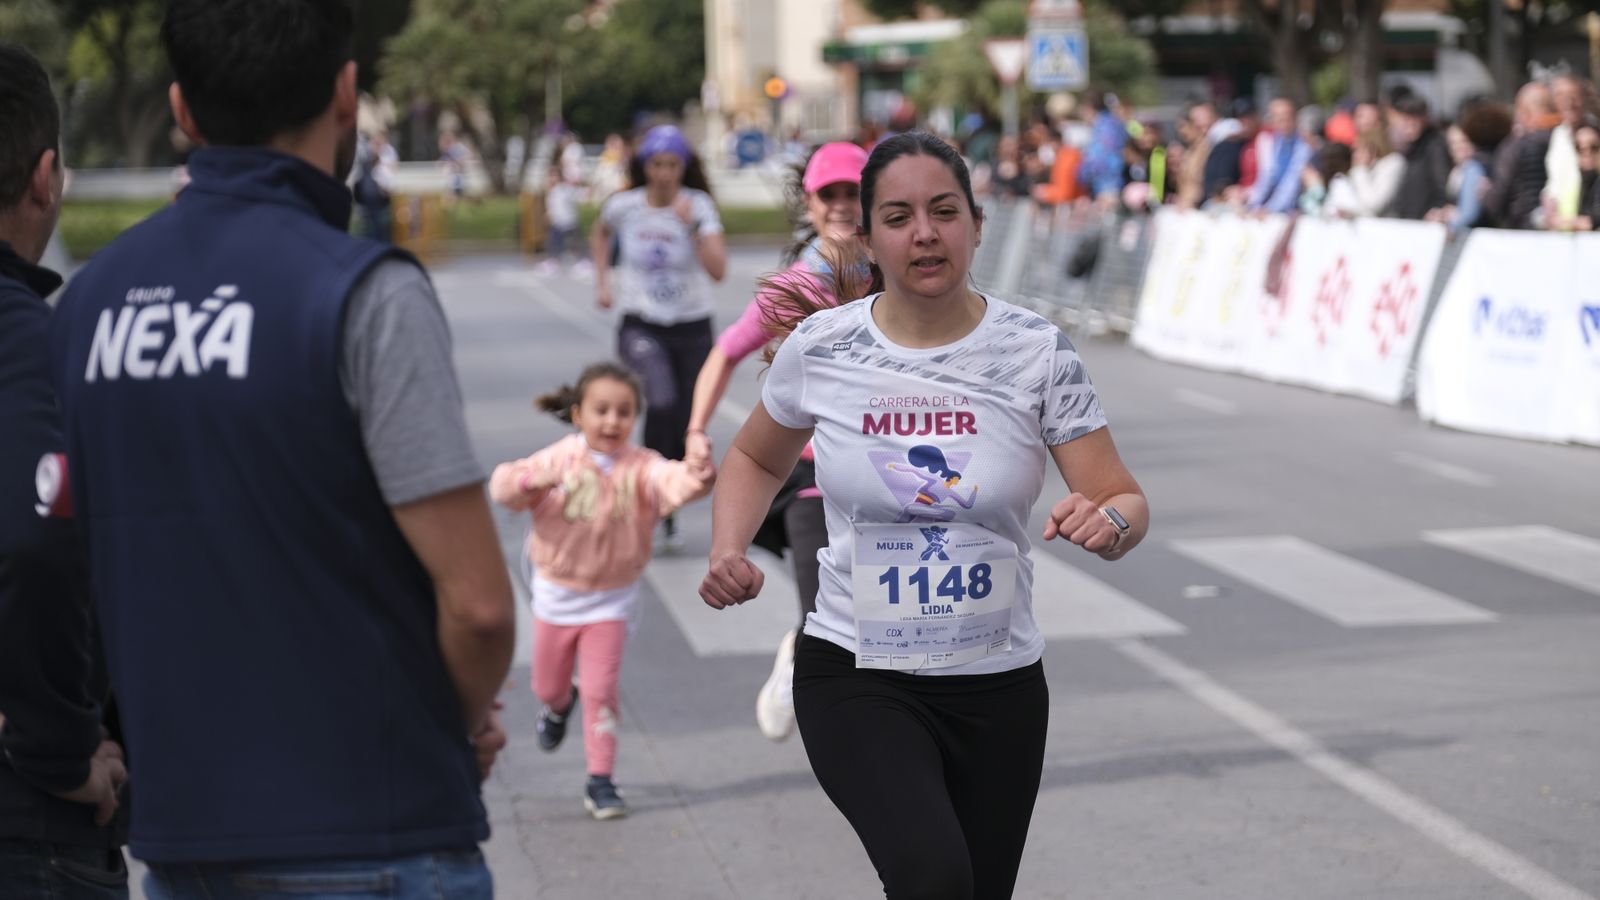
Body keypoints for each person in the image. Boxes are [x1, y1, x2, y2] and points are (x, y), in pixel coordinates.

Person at [46, 2, 517, 896]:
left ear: (182, 110)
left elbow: (62, 570)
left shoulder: (89, 305)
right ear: (346, 94)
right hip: (378, 830)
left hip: (185, 840)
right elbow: (482, 606)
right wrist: (445, 725)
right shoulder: (362, 292)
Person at [698, 132, 1148, 899]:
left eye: (944, 212)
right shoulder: (824, 346)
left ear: (977, 225)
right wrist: (727, 546)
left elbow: (1122, 498)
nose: (925, 233)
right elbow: (754, 457)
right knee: (933, 876)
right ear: (869, 235)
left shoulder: (1036, 352)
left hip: (998, 684)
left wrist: (1106, 525)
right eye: (899, 216)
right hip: (857, 670)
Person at [0, 40, 130, 898]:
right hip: (28, 820)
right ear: (46, 176)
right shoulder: (27, 340)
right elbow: (35, 539)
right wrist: (57, 745)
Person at [684, 141, 870, 742]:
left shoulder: (901, 270)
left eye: (854, 192)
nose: (842, 205)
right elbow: (726, 352)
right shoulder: (798, 284)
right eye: (829, 193)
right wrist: (694, 435)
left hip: (886, 471)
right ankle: (806, 662)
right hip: (811, 474)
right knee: (826, 613)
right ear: (809, 204)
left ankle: (806, 649)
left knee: (875, 613)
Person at [490, 363, 714, 819]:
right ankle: (556, 707)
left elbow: (676, 483)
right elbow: (503, 488)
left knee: (600, 688)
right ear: (578, 415)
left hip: (612, 599)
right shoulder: (558, 459)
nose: (613, 421)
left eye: (624, 412)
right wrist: (532, 483)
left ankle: (601, 780)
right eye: (602, 410)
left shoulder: (643, 466)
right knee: (548, 685)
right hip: (556, 595)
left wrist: (699, 470)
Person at [590, 124, 728, 552]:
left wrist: (691, 228)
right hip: (642, 323)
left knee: (685, 417)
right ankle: (652, 495)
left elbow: (718, 269)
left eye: (673, 165)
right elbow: (600, 232)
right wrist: (602, 282)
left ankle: (661, 496)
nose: (665, 173)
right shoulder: (625, 206)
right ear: (644, 166)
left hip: (691, 325)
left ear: (683, 167)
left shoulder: (698, 205)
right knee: (661, 401)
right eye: (657, 164)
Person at [1385, 93, 1451, 219]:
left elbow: (1442, 185)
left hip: (1427, 223)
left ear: (1424, 118)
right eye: (1405, 120)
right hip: (1409, 222)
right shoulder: (1411, 147)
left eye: (1413, 119)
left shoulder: (1435, 146)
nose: (1409, 125)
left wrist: (1438, 208)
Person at [1248, 97, 1314, 213]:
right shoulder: (1271, 143)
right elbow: (1265, 180)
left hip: (1294, 211)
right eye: (1278, 118)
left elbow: (1291, 184)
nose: (1283, 121)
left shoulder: (1304, 146)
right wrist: (1253, 205)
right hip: (1271, 209)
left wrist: (1269, 209)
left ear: (1295, 119)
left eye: (1287, 117)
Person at [1326, 127, 1406, 218]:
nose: (1354, 155)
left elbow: (1373, 205)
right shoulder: (1358, 172)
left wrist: (1360, 171)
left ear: (1373, 151)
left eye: (1357, 150)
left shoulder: (1393, 164)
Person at [352, 129, 396, 242]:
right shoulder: (367, 154)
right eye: (375, 142)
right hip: (367, 197)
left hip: (380, 197)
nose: (376, 144)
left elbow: (391, 173)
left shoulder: (388, 154)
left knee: (381, 226)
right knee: (369, 226)